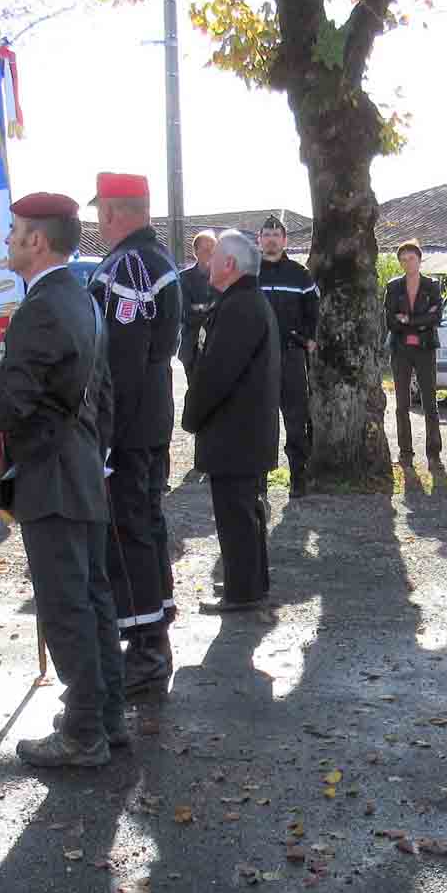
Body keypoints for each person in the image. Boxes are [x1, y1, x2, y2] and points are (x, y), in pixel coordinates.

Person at [0, 191, 126, 769]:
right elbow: (104, 398)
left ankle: (84, 733)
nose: (6, 240)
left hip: (51, 476)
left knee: (66, 608)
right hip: (79, 470)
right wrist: (93, 459)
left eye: (13, 231)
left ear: (36, 240)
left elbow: (13, 409)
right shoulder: (81, 299)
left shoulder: (42, 308)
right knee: (92, 599)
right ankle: (105, 717)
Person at [89, 172, 183, 695]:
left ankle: (147, 647)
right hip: (149, 419)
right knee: (145, 525)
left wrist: (104, 436)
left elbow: (122, 363)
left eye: (100, 212)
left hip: (127, 425)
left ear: (111, 211)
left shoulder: (129, 266)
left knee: (129, 534)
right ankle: (155, 631)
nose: (98, 222)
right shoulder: (157, 259)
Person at [182, 229, 279, 611]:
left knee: (236, 514)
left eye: (216, 256)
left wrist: (191, 416)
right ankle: (250, 585)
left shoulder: (240, 307)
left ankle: (243, 592)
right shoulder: (246, 301)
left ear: (230, 264)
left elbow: (216, 374)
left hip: (235, 434)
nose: (208, 263)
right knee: (244, 512)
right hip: (243, 433)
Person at [256, 215, 317, 497]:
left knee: (295, 419)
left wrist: (306, 339)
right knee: (260, 421)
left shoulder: (299, 274)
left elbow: (313, 312)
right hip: (258, 360)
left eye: (276, 235)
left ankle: (298, 477)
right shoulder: (249, 274)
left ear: (284, 240)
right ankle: (259, 480)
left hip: (291, 356)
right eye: (266, 235)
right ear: (259, 240)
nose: (271, 239)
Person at [384, 239, 445, 467]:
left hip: (425, 348)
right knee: (402, 404)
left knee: (430, 403)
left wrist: (408, 320)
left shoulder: (432, 285)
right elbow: (390, 321)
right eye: (403, 259)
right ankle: (405, 453)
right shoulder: (393, 286)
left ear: (420, 260)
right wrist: (420, 321)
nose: (407, 263)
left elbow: (436, 317)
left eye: (411, 258)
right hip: (400, 349)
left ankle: (434, 454)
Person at [179, 229, 216, 372]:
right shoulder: (184, 279)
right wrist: (213, 309)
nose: (210, 254)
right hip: (192, 347)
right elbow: (187, 312)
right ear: (196, 252)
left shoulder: (224, 277)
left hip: (217, 347)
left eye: (213, 250)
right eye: (206, 250)